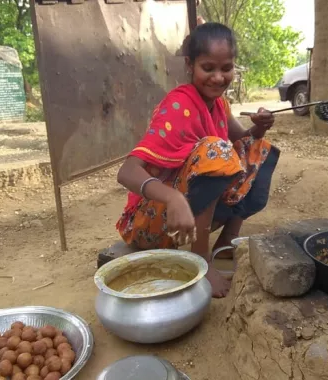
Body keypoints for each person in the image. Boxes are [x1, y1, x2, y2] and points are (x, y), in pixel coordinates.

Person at [115, 22, 280, 298]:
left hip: (190, 218)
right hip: (151, 224)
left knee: (257, 151)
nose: (218, 78)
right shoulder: (178, 105)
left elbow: (244, 140)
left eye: (226, 68)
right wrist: (173, 198)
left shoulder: (219, 104)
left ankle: (225, 244)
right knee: (215, 151)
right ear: (190, 65)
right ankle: (201, 258)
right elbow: (126, 171)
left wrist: (261, 126)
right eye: (208, 68)